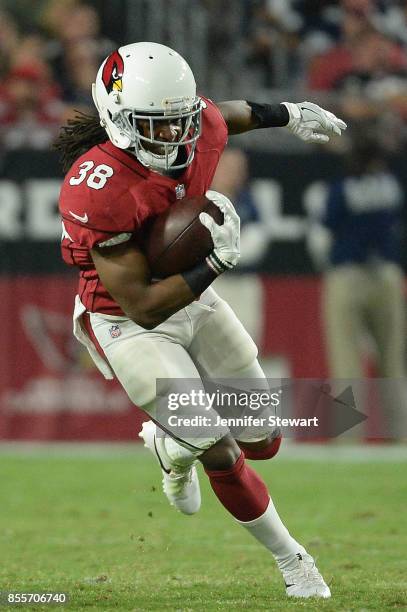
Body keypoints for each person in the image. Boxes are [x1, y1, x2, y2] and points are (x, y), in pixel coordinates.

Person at [55, 41, 346, 600]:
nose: (175, 138)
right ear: (118, 120)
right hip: (126, 322)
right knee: (219, 445)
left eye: (179, 122)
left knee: (263, 440)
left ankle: (169, 444)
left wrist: (291, 113)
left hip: (191, 301)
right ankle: (295, 562)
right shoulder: (97, 188)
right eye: (155, 127)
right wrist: (213, 261)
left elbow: (225, 114)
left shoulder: (197, 125)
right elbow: (141, 302)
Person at [320, 134, 406, 440]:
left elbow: (328, 222)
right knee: (393, 361)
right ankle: (401, 435)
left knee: (346, 361)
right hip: (386, 273)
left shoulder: (342, 187)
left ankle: (349, 439)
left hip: (348, 275)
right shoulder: (392, 185)